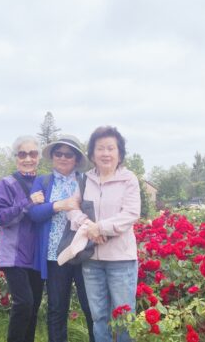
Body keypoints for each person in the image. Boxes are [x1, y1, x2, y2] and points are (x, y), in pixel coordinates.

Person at [67, 126, 141, 342]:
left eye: (111, 148)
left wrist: (99, 228)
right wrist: (88, 225)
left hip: (121, 260)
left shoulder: (129, 179)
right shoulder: (84, 180)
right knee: (98, 317)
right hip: (91, 259)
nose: (106, 153)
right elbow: (72, 208)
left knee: (125, 317)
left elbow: (130, 214)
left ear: (120, 153)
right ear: (92, 154)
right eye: (100, 148)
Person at [29, 135, 95, 342]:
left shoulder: (87, 181)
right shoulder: (42, 181)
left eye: (69, 154)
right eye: (59, 153)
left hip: (84, 253)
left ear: (76, 159)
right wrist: (58, 205)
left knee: (91, 307)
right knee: (57, 309)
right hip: (55, 255)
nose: (63, 158)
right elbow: (34, 214)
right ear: (53, 156)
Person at [0, 135, 45, 342]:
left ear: (38, 157)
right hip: (13, 256)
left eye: (32, 153)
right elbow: (1, 217)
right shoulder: (6, 183)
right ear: (16, 157)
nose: (28, 158)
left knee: (32, 308)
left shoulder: (43, 183)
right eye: (22, 154)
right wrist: (28, 202)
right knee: (23, 303)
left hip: (36, 256)